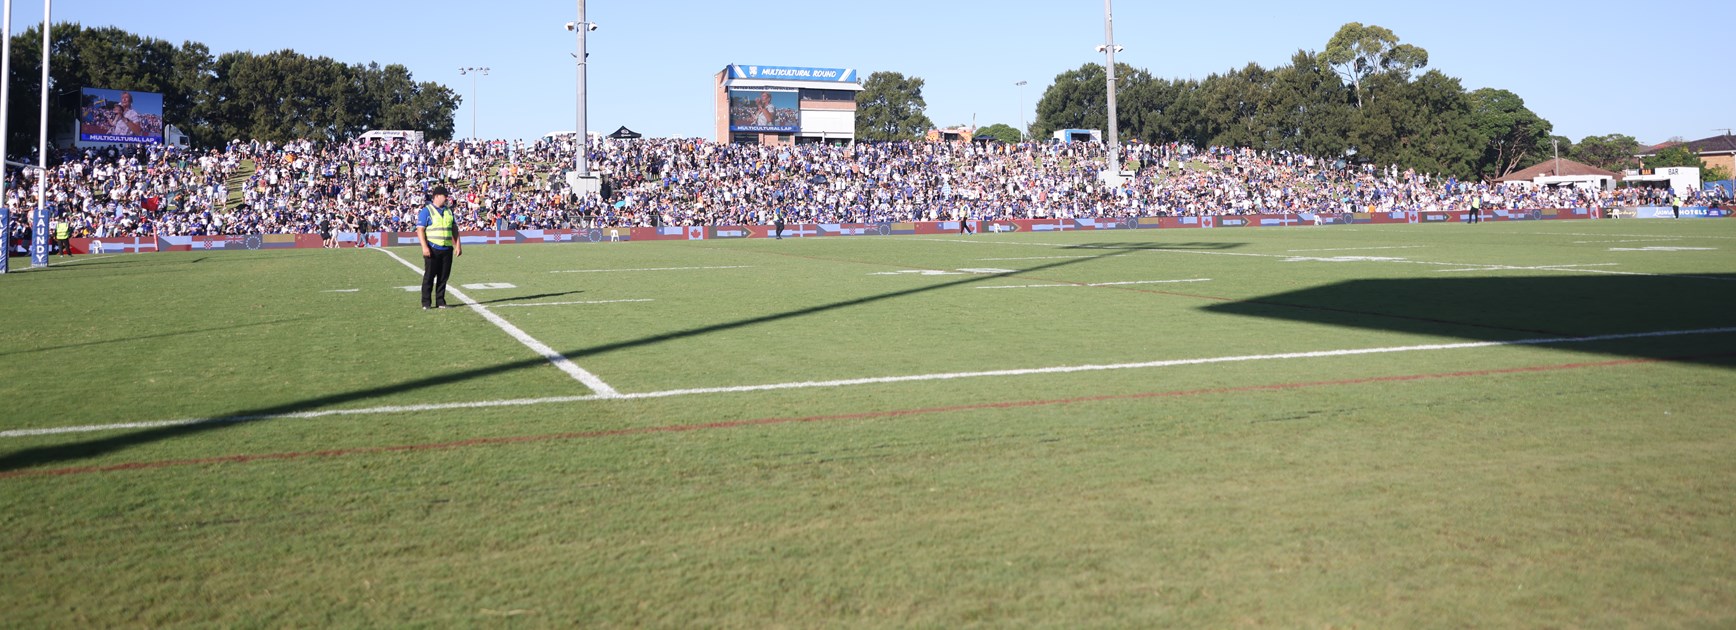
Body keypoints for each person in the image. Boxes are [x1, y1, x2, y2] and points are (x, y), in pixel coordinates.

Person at [417, 186, 461, 309]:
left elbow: (454, 229)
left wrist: (458, 244)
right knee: (429, 277)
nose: (446, 198)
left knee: (443, 277)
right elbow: (420, 230)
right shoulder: (427, 211)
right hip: (432, 248)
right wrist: (424, 247)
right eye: (444, 196)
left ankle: (440, 301)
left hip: (447, 249)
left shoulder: (448, 211)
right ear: (437, 196)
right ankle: (426, 303)